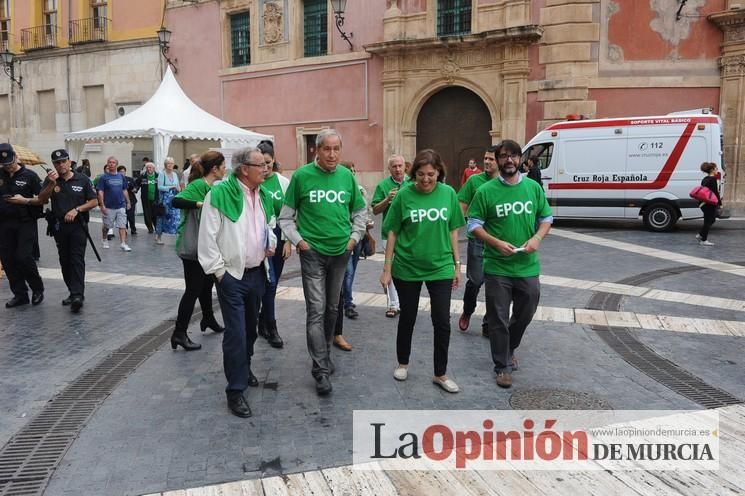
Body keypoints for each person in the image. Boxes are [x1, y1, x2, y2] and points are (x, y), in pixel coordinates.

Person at [279, 129, 367, 396]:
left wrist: (354, 238)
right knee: (316, 311)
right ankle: (320, 369)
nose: (331, 154)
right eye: (326, 149)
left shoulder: (346, 177)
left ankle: (325, 352)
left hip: (341, 253)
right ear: (316, 150)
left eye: (336, 149)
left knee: (332, 308)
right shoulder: (302, 176)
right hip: (313, 254)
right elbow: (285, 217)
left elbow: (360, 212)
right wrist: (299, 242)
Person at [467, 139, 553, 389]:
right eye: (504, 156)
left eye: (514, 156)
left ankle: (509, 346)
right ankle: (502, 365)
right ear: (498, 159)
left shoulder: (533, 188)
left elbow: (546, 217)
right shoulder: (486, 191)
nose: (509, 160)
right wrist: (495, 242)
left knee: (527, 310)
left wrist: (537, 238)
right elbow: (473, 224)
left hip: (527, 264)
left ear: (520, 159)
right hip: (497, 266)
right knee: (498, 318)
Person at [198, 147, 276, 418]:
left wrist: (271, 243)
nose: (266, 169)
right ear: (244, 168)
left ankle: (245, 366)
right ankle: (235, 390)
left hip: (256, 273)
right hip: (232, 275)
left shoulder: (262, 194)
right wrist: (220, 274)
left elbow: (270, 224)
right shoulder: (219, 195)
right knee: (236, 334)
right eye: (260, 165)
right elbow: (207, 239)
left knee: (251, 330)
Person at [380, 149, 465, 393]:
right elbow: (392, 231)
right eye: (420, 174)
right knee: (408, 316)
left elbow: (452, 230)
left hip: (440, 267)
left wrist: (457, 265)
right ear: (413, 173)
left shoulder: (448, 194)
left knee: (442, 320)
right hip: (407, 267)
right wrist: (387, 268)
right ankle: (403, 362)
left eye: (431, 174)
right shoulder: (404, 195)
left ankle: (440, 373)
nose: (426, 179)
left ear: (439, 172)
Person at [171, 151, 228, 351]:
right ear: (215, 168)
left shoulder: (211, 186)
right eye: (223, 166)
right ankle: (179, 332)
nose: (225, 169)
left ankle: (208, 318)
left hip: (203, 248)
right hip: (192, 247)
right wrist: (199, 204)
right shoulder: (198, 186)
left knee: (205, 285)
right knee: (193, 290)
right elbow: (176, 201)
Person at [32, 149, 98, 313]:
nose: (61, 165)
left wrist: (77, 209)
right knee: (65, 260)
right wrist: (52, 184)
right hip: (59, 226)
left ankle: (77, 295)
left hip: (78, 225)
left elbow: (94, 201)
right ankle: (72, 291)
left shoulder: (82, 179)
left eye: (63, 161)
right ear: (54, 164)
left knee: (76, 259)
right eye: (57, 162)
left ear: (69, 162)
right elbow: (42, 199)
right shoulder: (51, 180)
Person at [457, 144, 499, 335]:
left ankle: (488, 323)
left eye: (491, 159)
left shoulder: (506, 183)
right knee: (475, 281)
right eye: (486, 158)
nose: (487, 162)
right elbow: (462, 206)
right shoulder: (474, 181)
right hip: (477, 240)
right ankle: (467, 311)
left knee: (495, 283)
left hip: (499, 242)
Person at [0, 144, 45, 307]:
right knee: (8, 259)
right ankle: (20, 294)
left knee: (24, 256)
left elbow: (42, 198)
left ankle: (37, 289)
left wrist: (24, 200)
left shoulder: (30, 176)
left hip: (25, 222)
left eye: (10, 163)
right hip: (4, 223)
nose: (8, 167)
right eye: (4, 164)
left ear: (15, 158)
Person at [256, 142, 290, 349]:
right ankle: (271, 326)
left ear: (274, 160)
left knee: (273, 284)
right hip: (258, 236)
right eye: (261, 163)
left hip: (277, 234)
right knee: (268, 282)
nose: (265, 168)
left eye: (268, 163)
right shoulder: (253, 181)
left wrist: (287, 241)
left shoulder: (283, 182)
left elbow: (289, 213)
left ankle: (263, 320)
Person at [372, 154, 408, 318]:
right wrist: (387, 199)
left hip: (409, 234)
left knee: (408, 268)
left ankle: (406, 301)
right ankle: (393, 304)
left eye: (400, 165)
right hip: (389, 233)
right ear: (389, 169)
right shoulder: (383, 185)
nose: (398, 169)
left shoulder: (413, 183)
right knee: (390, 269)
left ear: (405, 166)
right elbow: (375, 210)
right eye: (394, 166)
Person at [96, 156, 132, 251]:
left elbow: (124, 190)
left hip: (120, 205)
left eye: (113, 162)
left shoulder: (121, 177)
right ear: (107, 164)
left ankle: (123, 243)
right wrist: (102, 205)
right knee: (107, 226)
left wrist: (128, 201)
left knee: (122, 225)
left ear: (116, 164)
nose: (111, 164)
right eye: (109, 162)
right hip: (108, 206)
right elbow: (100, 191)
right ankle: (104, 239)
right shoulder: (103, 178)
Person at [155, 157, 182, 245]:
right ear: (165, 165)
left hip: (174, 198)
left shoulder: (174, 174)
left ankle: (177, 235)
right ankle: (159, 237)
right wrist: (171, 187)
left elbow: (177, 185)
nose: (170, 165)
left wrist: (179, 189)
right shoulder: (162, 174)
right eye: (168, 163)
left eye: (172, 163)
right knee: (162, 218)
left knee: (176, 217)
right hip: (165, 199)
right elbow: (159, 187)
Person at [696, 162, 722, 246]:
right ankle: (703, 240)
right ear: (712, 170)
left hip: (703, 203)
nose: (717, 170)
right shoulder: (713, 179)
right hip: (709, 203)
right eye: (716, 168)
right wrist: (719, 203)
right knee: (708, 221)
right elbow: (715, 193)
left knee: (711, 219)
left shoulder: (705, 179)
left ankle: (700, 235)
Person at [137, 162, 159, 234]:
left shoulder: (158, 176)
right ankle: (150, 228)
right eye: (147, 168)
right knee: (147, 214)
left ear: (153, 168)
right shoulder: (142, 176)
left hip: (156, 198)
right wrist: (135, 189)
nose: (149, 169)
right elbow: (136, 184)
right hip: (145, 198)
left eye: (150, 167)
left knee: (155, 213)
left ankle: (156, 227)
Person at [117, 165, 139, 236]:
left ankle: (133, 229)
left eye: (123, 171)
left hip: (131, 200)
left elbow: (136, 188)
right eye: (120, 171)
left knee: (131, 216)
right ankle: (124, 229)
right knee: (123, 216)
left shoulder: (130, 179)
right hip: (121, 201)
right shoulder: (117, 180)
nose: (122, 173)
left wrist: (134, 189)